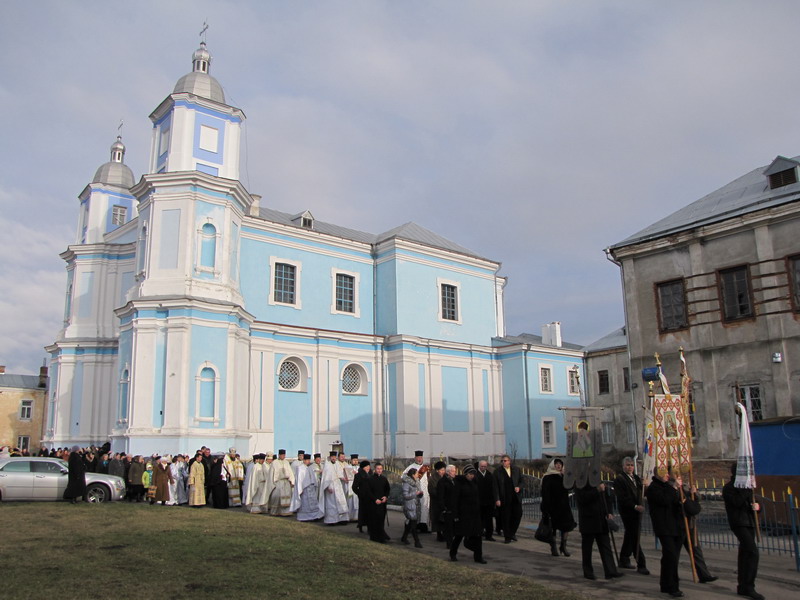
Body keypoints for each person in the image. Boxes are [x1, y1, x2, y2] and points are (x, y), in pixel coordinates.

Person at [723, 463, 764, 600]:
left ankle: (743, 586)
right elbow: (737, 502)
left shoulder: (748, 487)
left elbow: (755, 501)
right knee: (752, 552)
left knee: (745, 553)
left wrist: (758, 506)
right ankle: (749, 586)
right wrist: (746, 489)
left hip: (750, 522)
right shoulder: (729, 488)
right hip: (739, 523)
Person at [645, 469, 685, 598]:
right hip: (664, 527)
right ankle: (673, 586)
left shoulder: (669, 486)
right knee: (671, 555)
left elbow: (679, 502)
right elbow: (664, 500)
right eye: (664, 473)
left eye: (668, 473)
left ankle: (665, 583)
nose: (667, 475)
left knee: (670, 557)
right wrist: (673, 488)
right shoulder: (653, 488)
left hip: (676, 526)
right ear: (657, 475)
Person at [576, 482, 623, 580]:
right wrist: (596, 490)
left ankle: (610, 571)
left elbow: (606, 498)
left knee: (606, 545)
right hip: (588, 520)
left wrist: (609, 512)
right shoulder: (581, 481)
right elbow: (582, 498)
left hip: (601, 519)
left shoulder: (598, 480)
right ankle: (588, 571)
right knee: (587, 548)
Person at [613, 457, 649, 574]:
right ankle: (641, 563)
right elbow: (622, 497)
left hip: (636, 512)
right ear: (623, 466)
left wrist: (645, 485)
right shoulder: (620, 479)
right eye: (627, 465)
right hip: (628, 511)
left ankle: (624, 558)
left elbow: (642, 492)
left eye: (631, 465)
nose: (630, 467)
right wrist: (634, 506)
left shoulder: (636, 478)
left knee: (630, 535)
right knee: (634, 536)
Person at [681, 479, 717, 584]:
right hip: (677, 524)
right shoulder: (669, 486)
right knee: (673, 552)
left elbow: (697, 500)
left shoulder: (685, 486)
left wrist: (694, 493)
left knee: (696, 549)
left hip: (690, 522)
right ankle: (670, 576)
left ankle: (704, 574)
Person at [451, 464, 486, 563]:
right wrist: (455, 515)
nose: (472, 476)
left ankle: (478, 557)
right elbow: (455, 500)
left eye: (473, 474)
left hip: (475, 514)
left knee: (478, 536)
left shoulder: (475, 483)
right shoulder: (459, 483)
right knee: (459, 535)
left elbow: (477, 497)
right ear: (465, 474)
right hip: (463, 514)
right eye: (470, 474)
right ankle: (453, 553)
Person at [541, 458, 576, 557]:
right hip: (552, 506)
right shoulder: (548, 477)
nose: (558, 465)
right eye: (556, 464)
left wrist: (567, 476)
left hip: (564, 506)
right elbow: (545, 493)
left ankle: (563, 546)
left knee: (566, 526)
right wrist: (545, 508)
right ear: (553, 465)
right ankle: (553, 547)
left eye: (560, 464)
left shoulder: (563, 476)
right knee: (553, 528)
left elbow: (570, 487)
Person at [494, 454, 522, 543]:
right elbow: (495, 486)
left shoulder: (516, 470)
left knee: (518, 514)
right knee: (506, 518)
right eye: (502, 461)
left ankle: (512, 533)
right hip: (504, 498)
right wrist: (497, 499)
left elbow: (521, 481)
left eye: (505, 461)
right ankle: (507, 537)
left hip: (515, 497)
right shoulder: (497, 472)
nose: (503, 462)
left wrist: (519, 487)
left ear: (509, 461)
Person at [403, 450, 431, 532]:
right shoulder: (410, 467)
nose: (419, 459)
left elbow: (429, 479)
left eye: (421, 457)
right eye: (418, 457)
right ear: (415, 458)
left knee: (424, 508)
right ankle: (413, 527)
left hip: (425, 492)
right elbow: (404, 477)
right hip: (415, 492)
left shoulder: (426, 468)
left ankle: (423, 525)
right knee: (415, 510)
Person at [290, 454, 324, 521]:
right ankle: (304, 517)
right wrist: (300, 489)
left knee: (313, 503)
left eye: (309, 460)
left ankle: (314, 516)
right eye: (307, 460)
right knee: (305, 504)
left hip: (311, 488)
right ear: (304, 460)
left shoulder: (309, 468)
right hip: (304, 489)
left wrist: (314, 484)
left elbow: (313, 477)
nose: (308, 461)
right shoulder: (300, 468)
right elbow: (299, 479)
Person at [319, 452, 349, 525]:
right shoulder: (327, 465)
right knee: (331, 504)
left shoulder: (337, 464)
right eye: (332, 457)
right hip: (330, 486)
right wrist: (328, 487)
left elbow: (339, 474)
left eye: (334, 457)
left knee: (341, 502)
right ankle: (331, 520)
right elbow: (326, 478)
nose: (333, 458)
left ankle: (342, 519)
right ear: (330, 457)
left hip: (338, 485)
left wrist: (344, 479)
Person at [365, 463, 391, 543]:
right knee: (374, 520)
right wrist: (375, 499)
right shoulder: (370, 479)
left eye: (380, 469)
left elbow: (387, 489)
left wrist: (385, 496)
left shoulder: (384, 479)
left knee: (381, 520)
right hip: (373, 504)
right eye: (378, 469)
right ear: (374, 469)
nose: (379, 470)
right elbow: (368, 491)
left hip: (382, 503)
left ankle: (381, 536)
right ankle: (374, 537)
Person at [475, 460, 499, 542]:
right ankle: (479, 533)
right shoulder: (475, 475)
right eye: (482, 466)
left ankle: (489, 535)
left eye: (485, 466)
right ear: (479, 466)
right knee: (479, 519)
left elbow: (494, 488)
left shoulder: (489, 475)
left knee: (489, 519)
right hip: (479, 501)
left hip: (489, 501)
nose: (483, 468)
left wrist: (495, 499)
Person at [400, 468, 424, 548]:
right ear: (413, 475)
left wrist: (420, 494)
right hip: (410, 505)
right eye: (416, 473)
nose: (418, 475)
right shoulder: (407, 483)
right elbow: (405, 495)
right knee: (413, 524)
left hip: (415, 504)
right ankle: (417, 541)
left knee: (411, 523)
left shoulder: (417, 482)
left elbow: (418, 493)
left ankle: (404, 537)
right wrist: (415, 493)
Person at [269, 449, 295, 516]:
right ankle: (276, 512)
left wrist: (292, 481)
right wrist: (273, 483)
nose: (283, 456)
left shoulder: (286, 462)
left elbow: (290, 472)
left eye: (284, 455)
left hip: (286, 482)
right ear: (279, 455)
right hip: (278, 482)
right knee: (277, 497)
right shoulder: (274, 462)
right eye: (282, 455)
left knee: (287, 497)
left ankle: (286, 512)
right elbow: (271, 474)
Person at [438, 464, 458, 548]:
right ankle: (449, 543)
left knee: (454, 526)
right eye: (453, 471)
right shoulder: (442, 482)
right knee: (448, 527)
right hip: (447, 508)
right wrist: (443, 507)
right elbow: (440, 496)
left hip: (455, 507)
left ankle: (453, 541)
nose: (454, 473)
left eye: (455, 471)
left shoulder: (455, 481)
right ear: (448, 472)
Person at [428, 461, 447, 542]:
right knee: (437, 518)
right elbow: (431, 491)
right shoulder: (432, 479)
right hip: (436, 502)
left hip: (444, 501)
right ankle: (439, 534)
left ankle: (445, 533)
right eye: (441, 470)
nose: (443, 471)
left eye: (444, 470)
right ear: (437, 470)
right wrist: (440, 494)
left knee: (444, 518)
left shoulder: (446, 477)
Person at [352, 460, 372, 532]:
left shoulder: (371, 474)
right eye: (366, 466)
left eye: (369, 466)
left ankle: (370, 527)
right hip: (363, 497)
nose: (368, 468)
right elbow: (354, 487)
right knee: (362, 512)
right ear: (363, 467)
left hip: (370, 496)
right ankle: (360, 526)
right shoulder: (358, 475)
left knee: (370, 513)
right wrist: (359, 493)